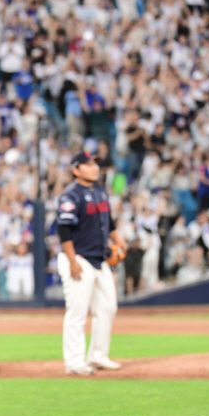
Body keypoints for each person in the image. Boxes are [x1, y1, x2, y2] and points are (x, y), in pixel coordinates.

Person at [56, 151, 127, 375]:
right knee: (77, 313)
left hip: (99, 257)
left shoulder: (99, 190)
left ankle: (97, 356)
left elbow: (109, 221)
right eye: (88, 164)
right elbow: (64, 230)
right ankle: (75, 362)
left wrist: (118, 240)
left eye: (95, 163)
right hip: (78, 258)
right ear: (76, 169)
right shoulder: (70, 195)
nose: (95, 168)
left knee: (107, 307)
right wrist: (72, 261)